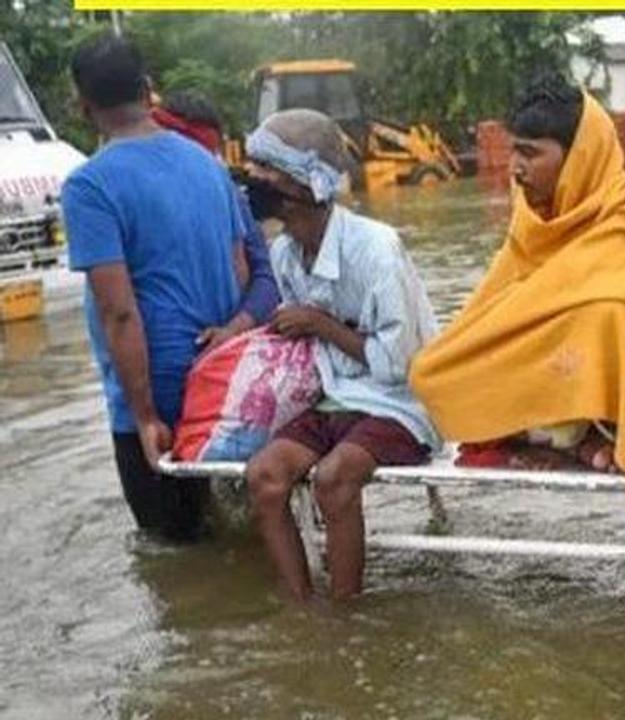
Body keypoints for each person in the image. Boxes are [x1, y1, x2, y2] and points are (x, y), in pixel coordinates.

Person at [409, 75, 625, 476]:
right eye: (513, 153)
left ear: (579, 156)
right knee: (429, 372)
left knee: (606, 313)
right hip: (553, 380)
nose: (515, 169)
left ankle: (598, 433)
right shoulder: (532, 218)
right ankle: (560, 435)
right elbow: (495, 305)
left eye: (529, 154)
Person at [242, 109, 441, 603]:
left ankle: (344, 614)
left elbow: (400, 364)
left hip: (399, 402)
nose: (255, 180)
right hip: (334, 396)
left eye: (268, 170)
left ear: (310, 184)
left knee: (333, 480)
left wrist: (320, 324)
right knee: (263, 477)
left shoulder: (376, 249)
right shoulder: (285, 254)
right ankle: (304, 609)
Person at [61, 34, 247, 542]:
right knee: (228, 535)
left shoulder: (89, 186)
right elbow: (239, 271)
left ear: (82, 103)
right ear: (149, 90)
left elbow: (118, 312)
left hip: (155, 390)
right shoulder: (209, 166)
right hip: (220, 379)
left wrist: (143, 415)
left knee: (170, 556)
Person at [150, 91, 280, 347]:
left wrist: (234, 328)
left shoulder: (228, 194)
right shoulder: (135, 194)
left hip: (218, 343)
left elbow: (266, 275)